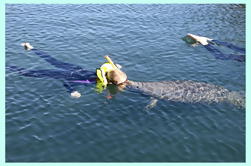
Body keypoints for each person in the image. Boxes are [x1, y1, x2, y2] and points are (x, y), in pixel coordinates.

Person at [8, 43, 126, 98]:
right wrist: (72, 91)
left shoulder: (108, 71)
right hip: (66, 75)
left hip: (76, 68)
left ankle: (31, 48)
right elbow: (67, 82)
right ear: (109, 82)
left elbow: (114, 69)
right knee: (30, 73)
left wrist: (117, 68)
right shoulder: (91, 81)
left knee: (52, 60)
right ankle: (7, 66)